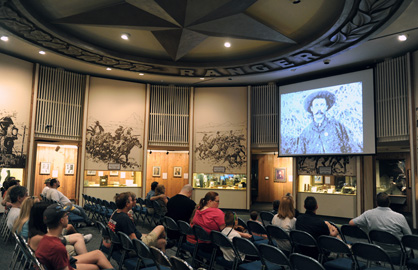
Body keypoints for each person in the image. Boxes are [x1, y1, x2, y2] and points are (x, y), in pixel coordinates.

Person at [35, 203, 114, 270]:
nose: (68, 216)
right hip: (65, 266)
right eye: (66, 215)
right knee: (96, 265)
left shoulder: (46, 238)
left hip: (63, 263)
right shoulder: (57, 247)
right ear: (61, 220)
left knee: (98, 254)